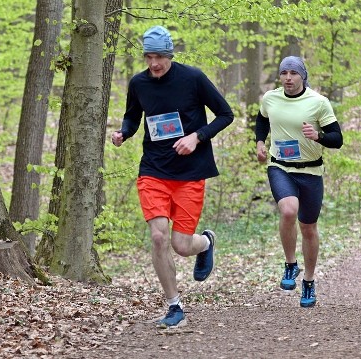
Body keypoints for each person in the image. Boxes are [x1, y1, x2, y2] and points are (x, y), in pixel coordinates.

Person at [111, 26, 234, 327]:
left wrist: (197, 137)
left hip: (190, 173)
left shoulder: (192, 78)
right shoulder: (138, 83)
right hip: (154, 170)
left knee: (181, 245)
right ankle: (173, 305)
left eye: (160, 57)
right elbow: (133, 116)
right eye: (149, 57)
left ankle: (205, 243)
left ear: (170, 55)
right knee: (157, 236)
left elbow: (225, 114)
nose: (154, 63)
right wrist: (123, 132)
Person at [254, 56, 343, 308]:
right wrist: (260, 143)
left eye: (293, 73)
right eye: (284, 73)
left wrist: (318, 136)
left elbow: (337, 138)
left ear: (302, 75)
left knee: (308, 228)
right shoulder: (270, 98)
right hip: (280, 166)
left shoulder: (318, 102)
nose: (288, 78)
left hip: (311, 172)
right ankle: (291, 264)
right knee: (288, 209)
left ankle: (309, 281)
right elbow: (261, 120)